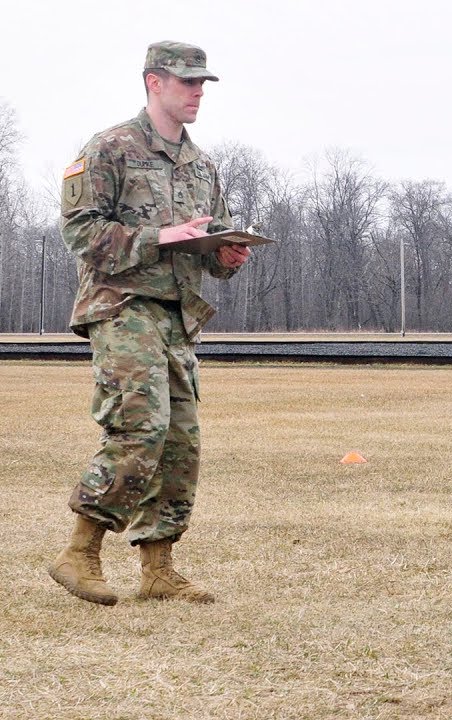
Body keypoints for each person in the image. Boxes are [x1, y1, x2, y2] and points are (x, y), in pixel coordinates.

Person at [50, 41, 251, 606]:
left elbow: (211, 245)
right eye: (187, 83)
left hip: (178, 315)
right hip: (121, 307)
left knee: (181, 442)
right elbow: (81, 235)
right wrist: (160, 237)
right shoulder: (109, 148)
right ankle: (81, 550)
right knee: (142, 427)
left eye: (203, 84)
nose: (197, 94)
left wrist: (225, 256)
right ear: (153, 82)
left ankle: (159, 567)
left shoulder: (202, 165)